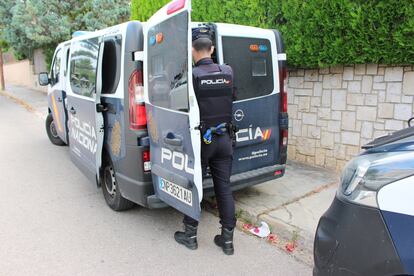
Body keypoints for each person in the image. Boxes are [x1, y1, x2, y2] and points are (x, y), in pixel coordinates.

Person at [174, 27, 237, 255]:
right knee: (224, 188)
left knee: (195, 186)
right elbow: (233, 97)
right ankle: (228, 241)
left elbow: (181, 105)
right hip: (224, 139)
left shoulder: (192, 76)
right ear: (211, 49)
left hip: (201, 140)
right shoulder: (228, 71)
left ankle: (190, 235)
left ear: (192, 50)